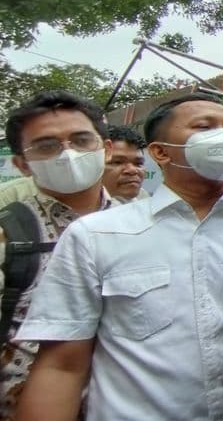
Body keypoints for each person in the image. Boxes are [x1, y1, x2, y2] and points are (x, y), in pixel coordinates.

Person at [13, 92, 223, 420]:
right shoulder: (97, 235)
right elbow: (62, 367)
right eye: (204, 126)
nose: (222, 137)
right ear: (161, 152)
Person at [0, 91, 115, 419]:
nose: (68, 154)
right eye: (47, 146)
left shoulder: (142, 227)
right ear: (22, 164)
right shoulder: (8, 235)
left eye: (81, 140)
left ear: (105, 149)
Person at [102, 125, 149, 203]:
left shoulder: (146, 202)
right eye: (117, 162)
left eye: (138, 163)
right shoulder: (80, 212)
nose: (132, 170)